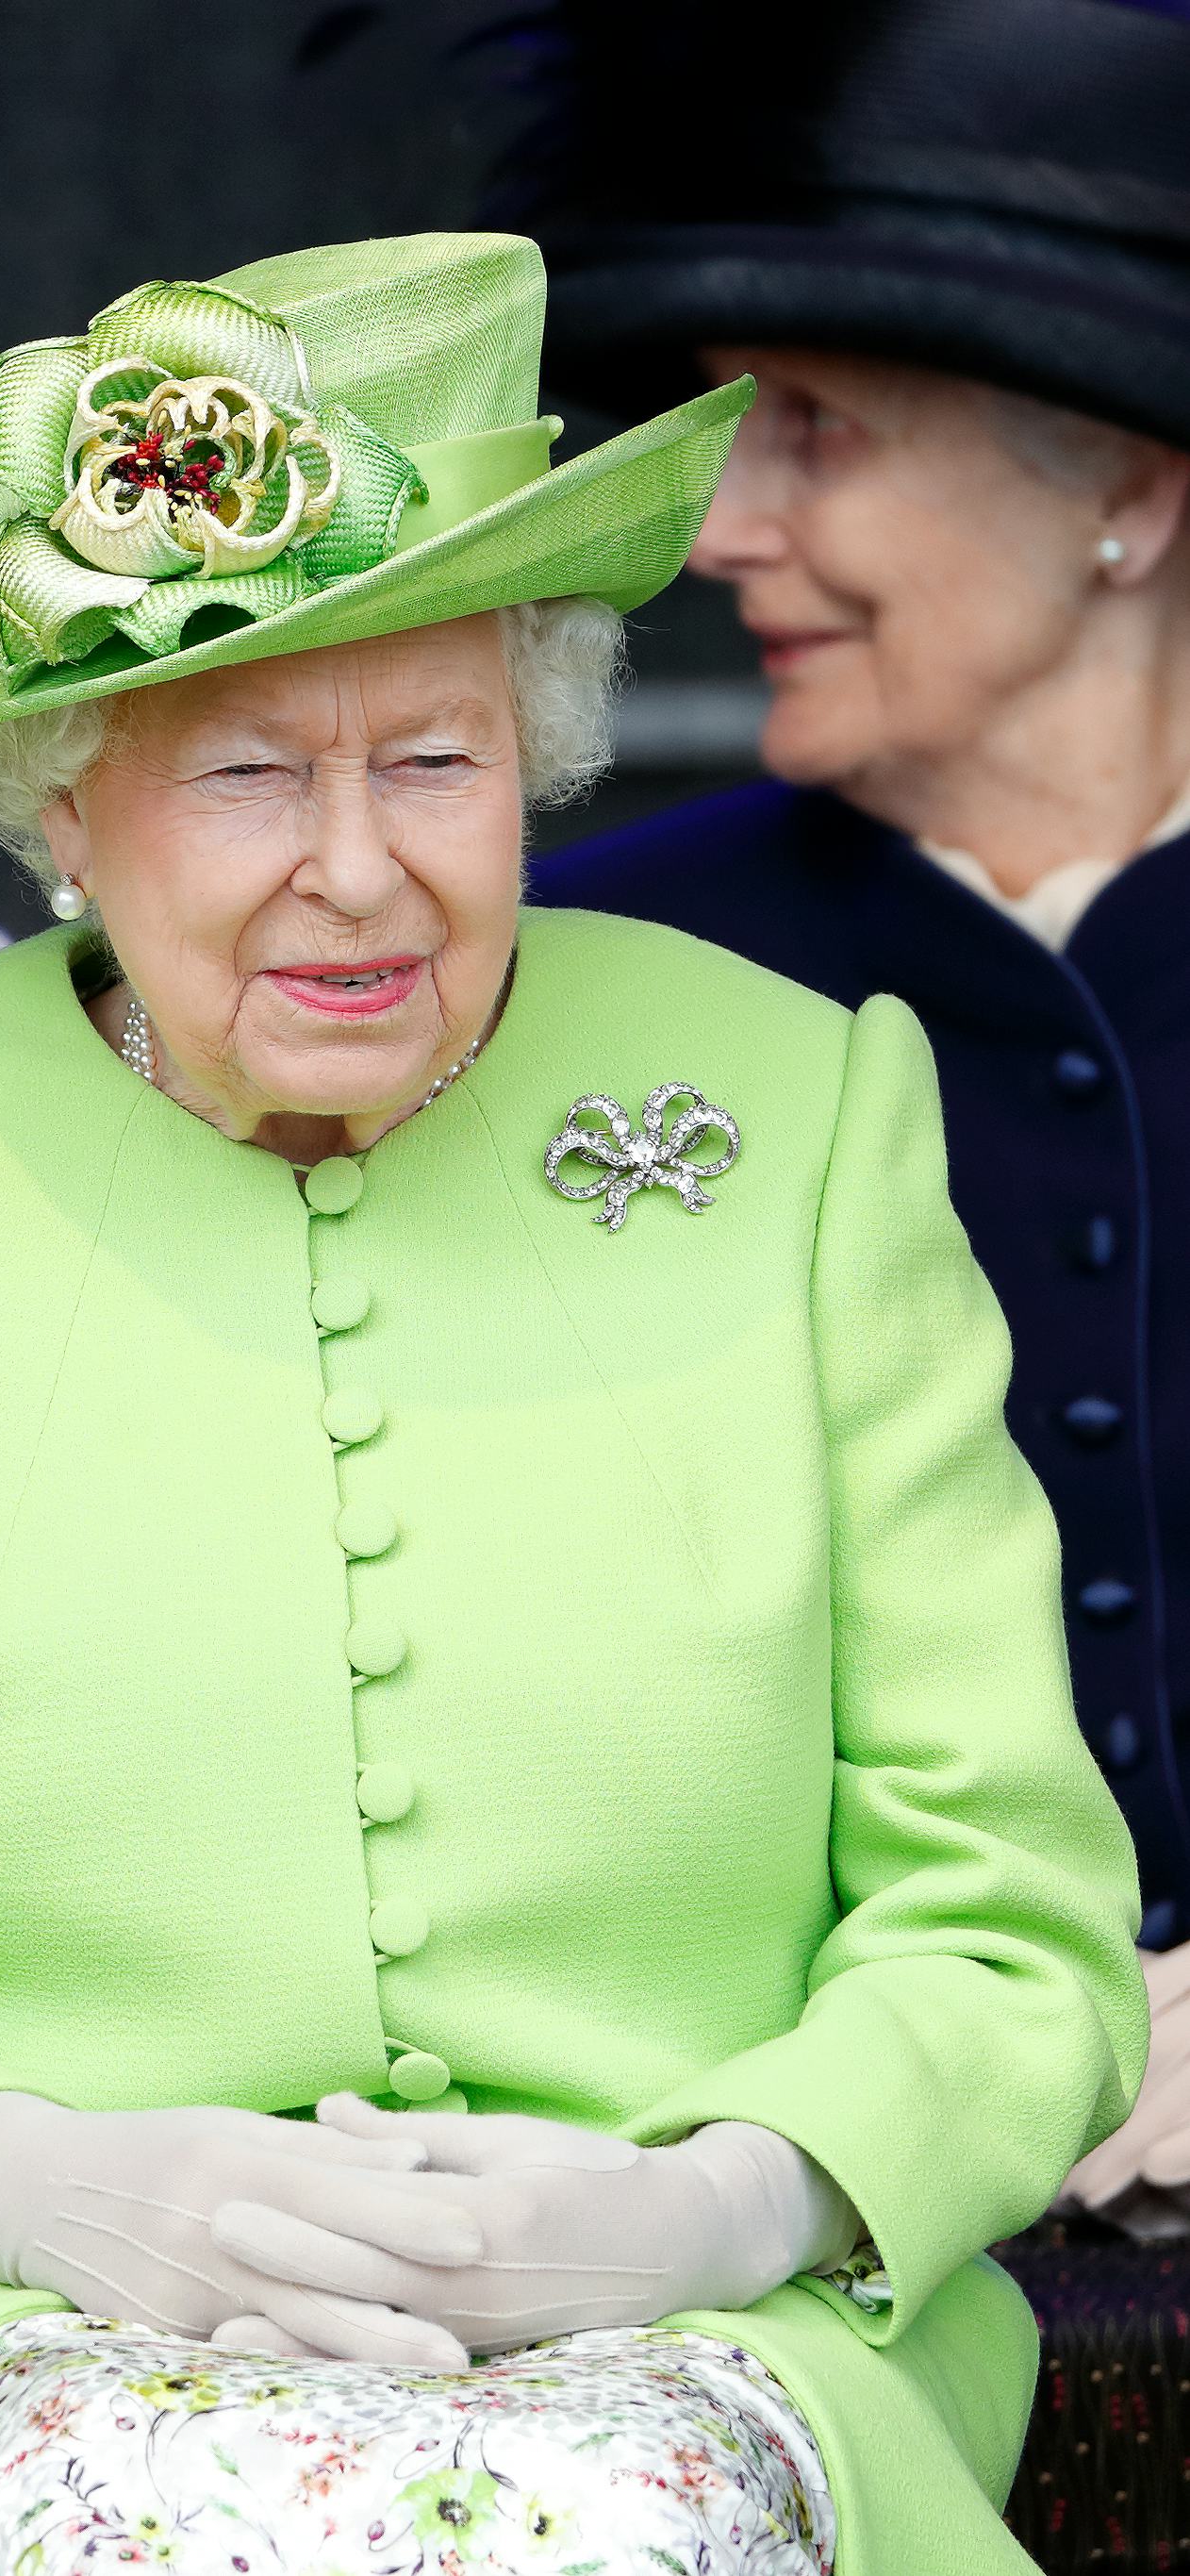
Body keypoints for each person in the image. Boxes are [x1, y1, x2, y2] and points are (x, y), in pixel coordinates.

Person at [0, 231, 1146, 2576]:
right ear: (67, 811)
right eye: (250, 771)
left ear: (543, 752)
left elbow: (1009, 1919)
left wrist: (713, 2207)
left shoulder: (794, 1117)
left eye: (437, 761)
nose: (352, 870)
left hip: (713, 2333)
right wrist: (31, 2182)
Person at [513, 0, 1190, 2225]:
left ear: (1126, 482)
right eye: (719, 435)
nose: (722, 530)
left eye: (809, 429)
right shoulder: (560, 975)